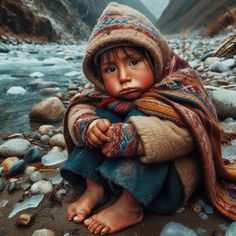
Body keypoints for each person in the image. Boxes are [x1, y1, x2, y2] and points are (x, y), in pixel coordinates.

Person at [61, 2, 236, 235]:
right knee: (97, 116)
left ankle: (129, 206)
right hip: (112, 170)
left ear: (154, 59)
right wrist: (87, 125)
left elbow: (191, 133)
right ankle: (95, 188)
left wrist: (134, 140)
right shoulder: (104, 92)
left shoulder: (180, 86)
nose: (123, 77)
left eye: (133, 62)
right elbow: (80, 106)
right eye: (110, 69)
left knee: (141, 116)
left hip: (166, 183)